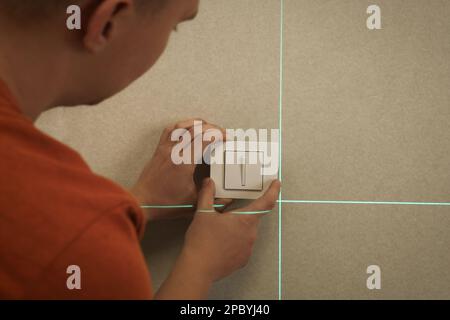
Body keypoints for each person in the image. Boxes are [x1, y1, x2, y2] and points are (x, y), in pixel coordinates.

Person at [0, 0, 281, 299]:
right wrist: (200, 265)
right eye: (174, 26)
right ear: (107, 23)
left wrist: (138, 203)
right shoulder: (75, 234)